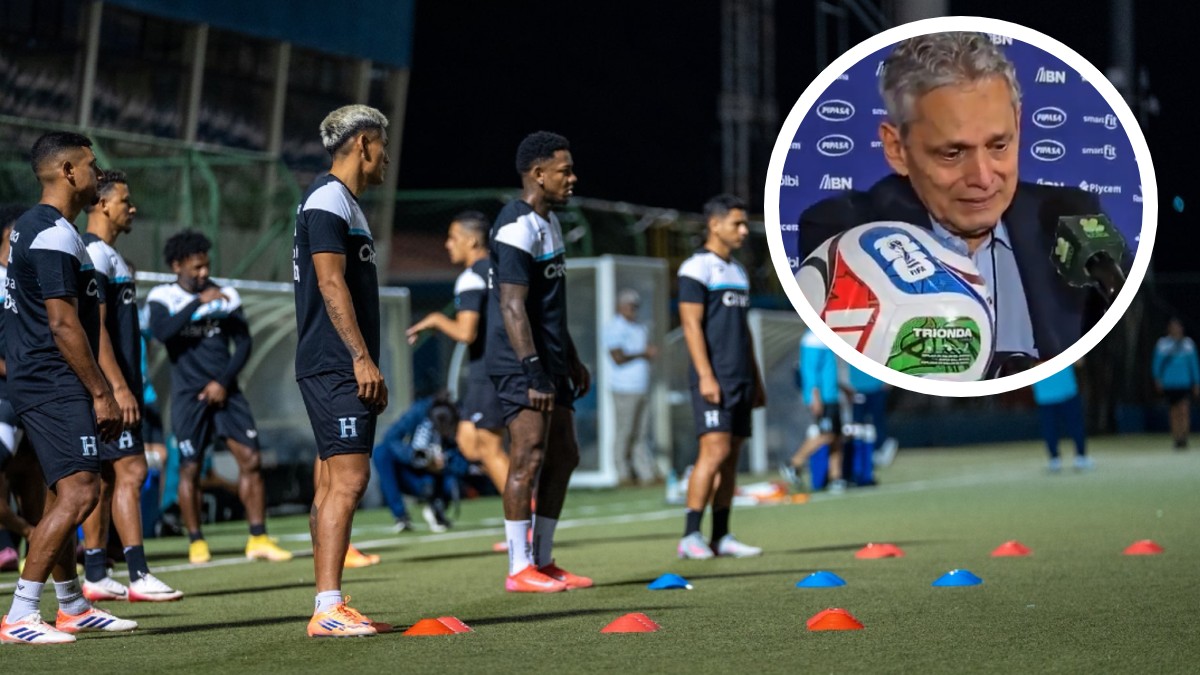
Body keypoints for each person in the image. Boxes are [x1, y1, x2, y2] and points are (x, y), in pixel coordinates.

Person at [797, 31, 1131, 376]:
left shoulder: (1072, 217)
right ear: (897, 149)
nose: (983, 177)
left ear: (1018, 124)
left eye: (999, 145)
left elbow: (1128, 340)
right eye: (953, 153)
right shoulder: (847, 234)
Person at [1, 131, 136, 644]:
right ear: (68, 172)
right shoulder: (54, 232)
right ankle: (19, 616)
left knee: (61, 492)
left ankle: (74, 605)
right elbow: (63, 325)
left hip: (39, 378)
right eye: (91, 164)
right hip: (53, 379)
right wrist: (102, 392)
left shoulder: (35, 229)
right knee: (82, 491)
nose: (99, 173)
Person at [293, 104, 391, 637]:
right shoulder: (330, 201)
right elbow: (330, 284)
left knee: (334, 481)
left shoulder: (341, 202)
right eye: (383, 146)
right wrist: (360, 356)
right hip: (335, 362)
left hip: (330, 361)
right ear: (364, 143)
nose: (387, 157)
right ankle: (327, 608)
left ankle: (329, 601)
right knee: (348, 481)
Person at [486, 131, 592, 592]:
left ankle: (544, 560)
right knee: (526, 457)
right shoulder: (516, 226)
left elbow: (548, 307)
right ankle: (518, 567)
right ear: (538, 174)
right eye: (564, 170)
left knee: (564, 454)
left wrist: (572, 359)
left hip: (550, 361)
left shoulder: (547, 223)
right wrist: (533, 371)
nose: (572, 178)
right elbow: (513, 307)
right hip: (519, 363)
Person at [146, 231, 292, 565]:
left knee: (251, 459)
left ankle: (258, 537)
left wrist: (223, 382)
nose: (202, 272)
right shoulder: (162, 297)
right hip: (188, 397)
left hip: (226, 392)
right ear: (177, 265)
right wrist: (199, 302)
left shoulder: (226, 295)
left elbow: (244, 343)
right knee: (190, 468)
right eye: (196, 267)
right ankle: (196, 541)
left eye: (206, 266)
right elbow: (162, 332)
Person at [79, 170, 183, 602]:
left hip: (116, 387)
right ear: (102, 204)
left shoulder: (109, 255)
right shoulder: (94, 254)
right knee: (133, 470)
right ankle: (138, 574)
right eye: (125, 199)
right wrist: (118, 389)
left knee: (105, 479)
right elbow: (96, 329)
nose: (132, 207)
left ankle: (97, 572)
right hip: (111, 390)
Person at [676, 194, 766, 559]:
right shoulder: (696, 268)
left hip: (741, 378)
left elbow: (743, 333)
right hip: (713, 378)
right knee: (712, 452)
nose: (744, 230)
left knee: (731, 457)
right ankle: (690, 536)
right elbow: (690, 325)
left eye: (744, 224)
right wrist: (706, 376)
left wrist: (756, 379)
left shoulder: (738, 271)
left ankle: (722, 535)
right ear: (714, 225)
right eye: (737, 224)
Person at [406, 211, 510, 496]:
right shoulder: (504, 271)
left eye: (453, 238)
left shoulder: (470, 277)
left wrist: (437, 320)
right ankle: (524, 510)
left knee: (489, 448)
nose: (447, 245)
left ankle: (525, 523)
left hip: (488, 370)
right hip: (509, 365)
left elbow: (466, 333)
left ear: (473, 241)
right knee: (469, 441)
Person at [372, 394, 460, 533]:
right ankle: (401, 516)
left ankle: (438, 507)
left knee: (454, 478)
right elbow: (390, 438)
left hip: (443, 478)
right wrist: (415, 456)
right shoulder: (420, 411)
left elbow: (464, 460)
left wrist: (445, 462)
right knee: (381, 452)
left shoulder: (460, 419)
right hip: (415, 475)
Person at [602, 288, 660, 486]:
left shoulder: (640, 327)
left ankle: (645, 473)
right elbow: (617, 357)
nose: (633, 310)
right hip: (623, 388)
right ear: (620, 306)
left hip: (641, 386)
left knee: (641, 434)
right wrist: (643, 353)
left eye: (635, 306)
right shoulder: (614, 328)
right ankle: (623, 473)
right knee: (624, 432)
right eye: (629, 306)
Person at [787, 330, 846, 493]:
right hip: (822, 397)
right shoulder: (813, 339)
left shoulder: (827, 338)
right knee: (825, 435)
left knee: (836, 437)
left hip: (831, 396)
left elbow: (828, 371)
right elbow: (810, 372)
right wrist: (815, 397)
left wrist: (843, 389)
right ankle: (793, 464)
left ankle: (836, 478)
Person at [1031, 361, 1092, 471]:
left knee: (1074, 426)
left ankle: (1078, 458)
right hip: (1049, 394)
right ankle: (1058, 459)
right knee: (1052, 429)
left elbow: (1080, 361)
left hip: (1064, 391)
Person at [1152, 318, 1200, 449]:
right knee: (1173, 412)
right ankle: (1176, 438)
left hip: (1184, 383)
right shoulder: (1162, 344)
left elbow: (1194, 365)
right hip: (1169, 383)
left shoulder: (1188, 344)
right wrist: (1157, 379)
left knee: (1184, 410)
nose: (1176, 329)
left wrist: (1196, 382)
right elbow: (1157, 364)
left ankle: (1184, 437)